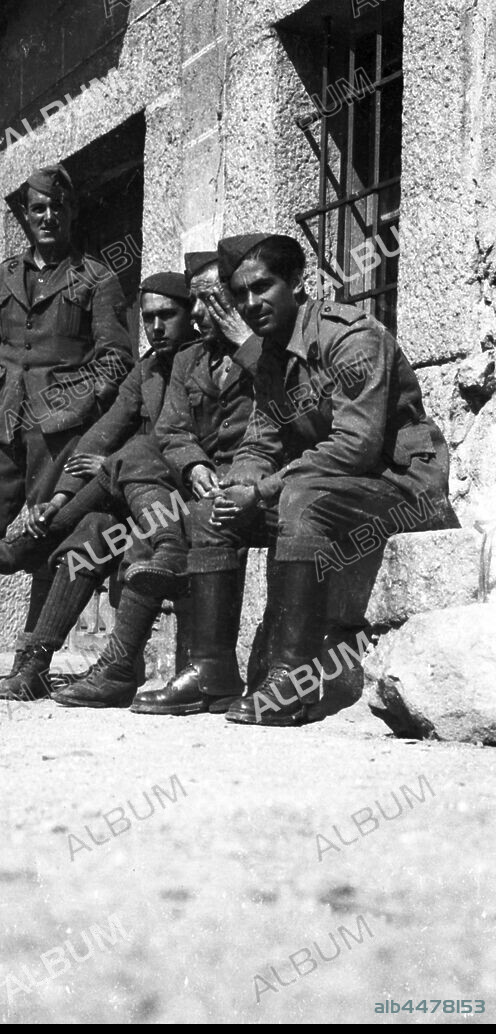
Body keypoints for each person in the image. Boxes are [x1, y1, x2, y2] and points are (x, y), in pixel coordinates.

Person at [176, 232, 458, 725]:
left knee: (300, 498)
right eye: (239, 294)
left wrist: (262, 491)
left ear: (297, 282)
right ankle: (211, 672)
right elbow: (260, 440)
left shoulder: (350, 337)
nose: (249, 303)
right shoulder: (270, 351)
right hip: (333, 487)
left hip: (403, 485)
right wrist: (239, 484)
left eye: (262, 287)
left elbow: (356, 445)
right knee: (208, 512)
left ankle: (291, 680)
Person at [0, 163, 132, 692]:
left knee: (45, 532)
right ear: (25, 216)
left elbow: (115, 360)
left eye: (58, 208)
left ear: (71, 213)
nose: (48, 217)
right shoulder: (2, 277)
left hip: (58, 429)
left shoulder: (98, 279)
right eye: (38, 209)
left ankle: (30, 664)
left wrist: (70, 410)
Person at [0, 272, 196, 702]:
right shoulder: (148, 370)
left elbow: (178, 439)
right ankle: (36, 664)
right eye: (148, 318)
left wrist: (115, 462)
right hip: (139, 492)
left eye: (168, 315)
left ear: (192, 315)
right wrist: (60, 495)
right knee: (92, 529)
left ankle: (34, 544)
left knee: (132, 454)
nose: (156, 327)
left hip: (184, 493)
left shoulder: (205, 360)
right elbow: (103, 431)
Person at [118, 249, 266, 715]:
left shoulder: (268, 346)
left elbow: (286, 407)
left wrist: (246, 342)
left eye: (211, 300)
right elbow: (173, 430)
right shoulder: (191, 359)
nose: (199, 313)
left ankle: (208, 672)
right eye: (196, 302)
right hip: (206, 478)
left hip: (259, 476)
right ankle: (125, 665)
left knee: (198, 517)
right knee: (152, 519)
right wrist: (194, 464)